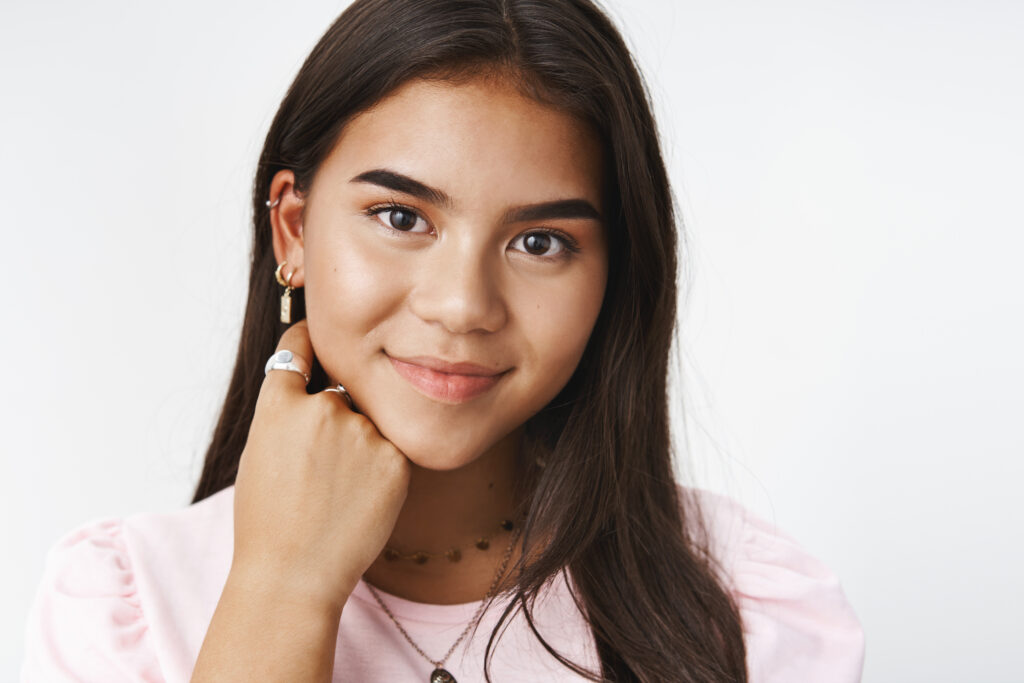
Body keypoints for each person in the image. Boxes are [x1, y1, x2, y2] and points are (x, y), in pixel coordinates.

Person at [20, 0, 865, 681]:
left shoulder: (748, 608)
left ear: (613, 270)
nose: (463, 306)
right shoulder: (119, 607)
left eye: (540, 242)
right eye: (401, 217)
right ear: (293, 230)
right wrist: (283, 592)